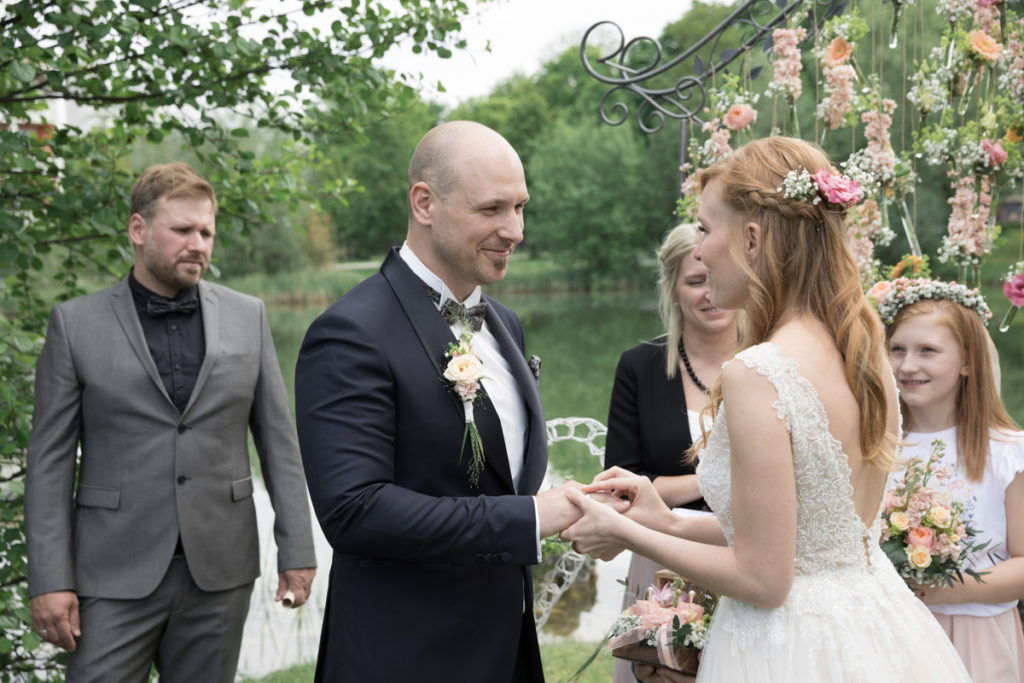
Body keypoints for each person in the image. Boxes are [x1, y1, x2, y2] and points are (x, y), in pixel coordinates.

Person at [560, 136, 971, 681]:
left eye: (707, 230)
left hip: (788, 647)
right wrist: (668, 521)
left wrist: (625, 531)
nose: (700, 251)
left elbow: (764, 580)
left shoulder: (759, 373)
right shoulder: (863, 351)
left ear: (751, 240)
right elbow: (816, 537)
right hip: (873, 629)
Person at [294, 121, 585, 682]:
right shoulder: (350, 331)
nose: (515, 230)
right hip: (405, 656)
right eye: (492, 209)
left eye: (521, 207)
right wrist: (528, 517)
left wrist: (573, 504)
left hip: (505, 648)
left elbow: (488, 479)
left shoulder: (506, 325)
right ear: (425, 203)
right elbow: (353, 511)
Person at [25, 162, 318, 682]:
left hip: (220, 570)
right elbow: (48, 465)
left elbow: (279, 443)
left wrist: (296, 548)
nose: (198, 244)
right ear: (139, 230)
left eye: (206, 232)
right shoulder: (74, 325)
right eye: (182, 230)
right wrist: (51, 580)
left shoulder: (247, 315)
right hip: (110, 572)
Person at [604, 223, 739, 683]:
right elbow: (621, 485)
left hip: (746, 553)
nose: (710, 293)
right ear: (672, 288)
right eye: (694, 281)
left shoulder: (769, 358)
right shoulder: (639, 366)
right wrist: (715, 481)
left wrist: (663, 488)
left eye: (715, 276)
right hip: (662, 560)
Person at [875, 278, 1024, 681]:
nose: (907, 366)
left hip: (975, 636)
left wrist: (945, 589)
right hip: (891, 636)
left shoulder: (1007, 451)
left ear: (966, 361)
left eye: (928, 351)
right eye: (897, 349)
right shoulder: (877, 449)